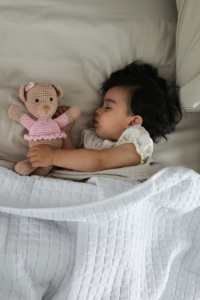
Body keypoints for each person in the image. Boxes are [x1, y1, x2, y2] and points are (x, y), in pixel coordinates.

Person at [27, 60, 182, 172]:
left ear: (133, 122)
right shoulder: (94, 140)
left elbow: (97, 162)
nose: (97, 110)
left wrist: (53, 156)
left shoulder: (136, 146)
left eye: (108, 107)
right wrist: (66, 132)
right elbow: (72, 161)